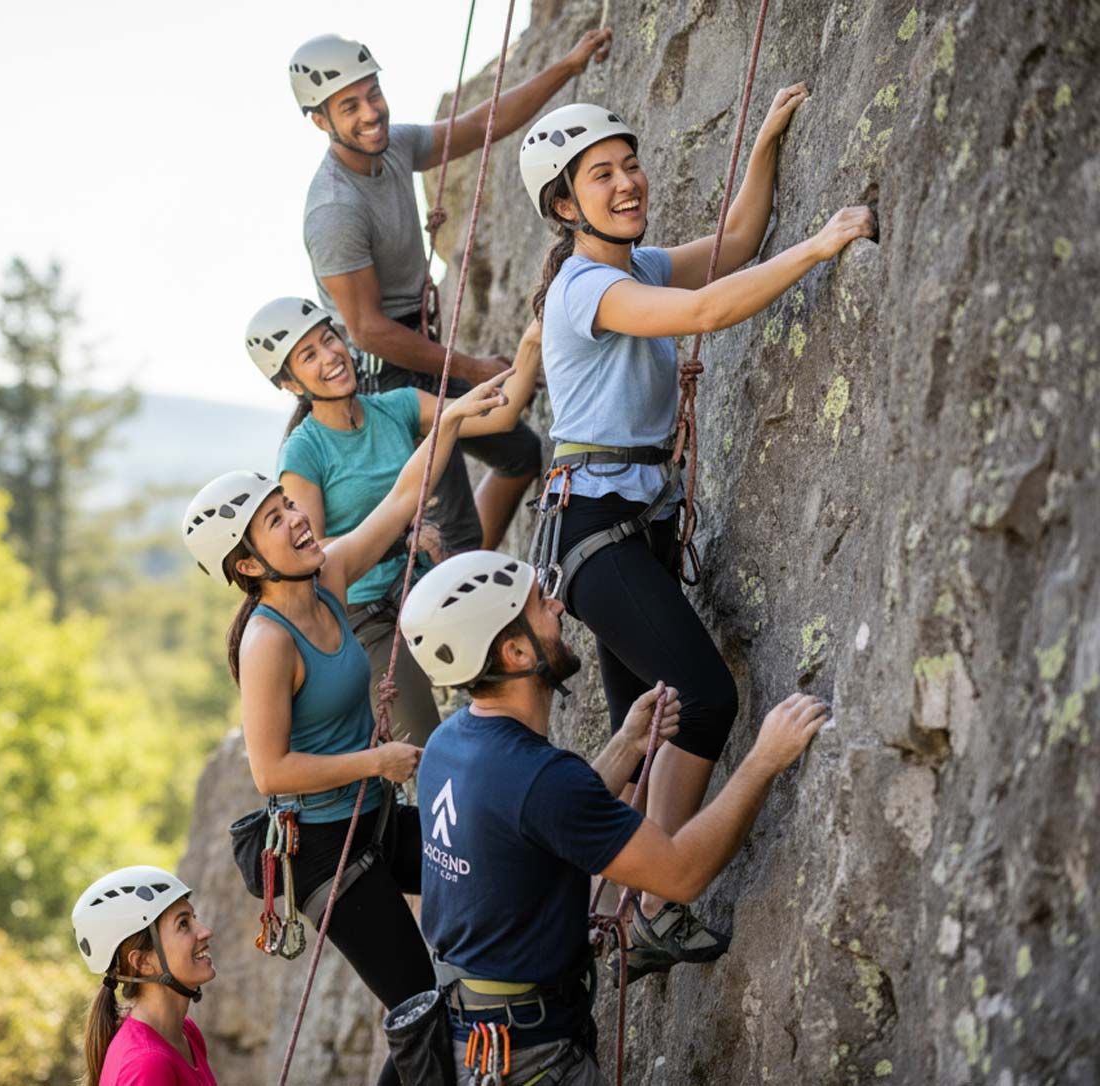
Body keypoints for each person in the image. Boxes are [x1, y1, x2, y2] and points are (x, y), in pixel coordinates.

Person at [515, 94, 875, 970]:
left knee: (660, 719)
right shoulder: (588, 289)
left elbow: (733, 250)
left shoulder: (633, 265)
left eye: (628, 164)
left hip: (627, 523)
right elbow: (709, 310)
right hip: (594, 528)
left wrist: (761, 148)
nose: (627, 181)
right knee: (702, 698)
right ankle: (654, 898)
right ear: (565, 206)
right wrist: (822, 244)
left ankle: (640, 902)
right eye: (601, 174)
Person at [181, 370, 511, 1086]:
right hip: (326, 851)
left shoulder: (325, 578)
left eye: (286, 506)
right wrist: (377, 761)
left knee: (488, 875)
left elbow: (398, 501)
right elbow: (271, 772)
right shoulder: (267, 643)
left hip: (371, 817)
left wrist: (448, 419)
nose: (298, 518)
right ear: (246, 564)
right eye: (275, 520)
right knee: (420, 1008)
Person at [398, 551, 831, 1083]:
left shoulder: (449, 746)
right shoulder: (540, 778)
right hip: (533, 1060)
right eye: (539, 605)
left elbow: (530, 824)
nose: (557, 607)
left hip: (475, 1043)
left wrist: (626, 744)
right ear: (514, 652)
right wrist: (763, 760)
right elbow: (680, 872)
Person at [289, 29, 614, 553]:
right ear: (320, 121)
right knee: (452, 529)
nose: (371, 112)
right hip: (386, 380)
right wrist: (466, 366)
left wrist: (568, 66)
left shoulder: (391, 149)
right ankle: (464, 600)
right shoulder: (334, 211)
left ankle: (469, 581)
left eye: (373, 93)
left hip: (418, 351)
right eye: (349, 106)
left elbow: (478, 127)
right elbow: (368, 331)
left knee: (520, 454)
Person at [245, 294, 541, 746]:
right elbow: (314, 551)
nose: (330, 357)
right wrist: (398, 539)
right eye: (309, 356)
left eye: (329, 340)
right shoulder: (304, 452)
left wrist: (531, 344)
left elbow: (499, 418)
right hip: (370, 615)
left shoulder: (396, 406)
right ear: (289, 383)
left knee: (518, 667)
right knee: (420, 747)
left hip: (425, 586)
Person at [74, 865, 218, 1086]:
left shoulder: (185, 1033)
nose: (205, 931)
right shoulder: (147, 1065)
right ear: (143, 962)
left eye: (194, 917)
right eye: (183, 924)